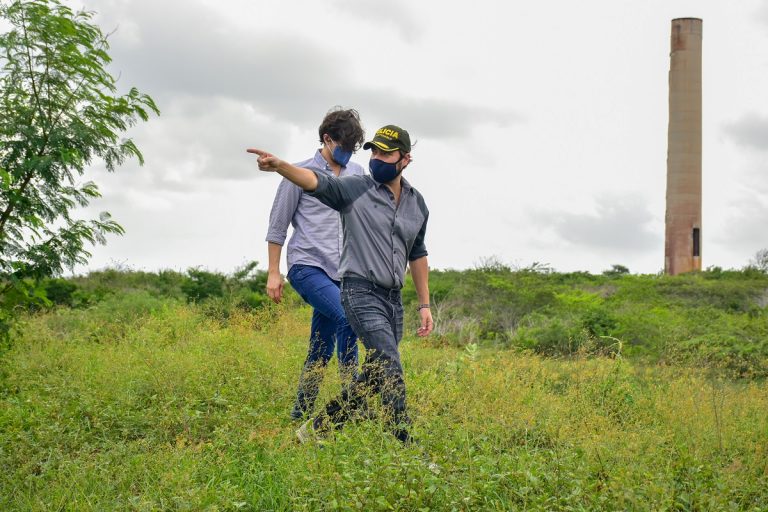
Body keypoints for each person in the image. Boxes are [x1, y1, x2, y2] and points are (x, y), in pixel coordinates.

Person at [248, 124, 433, 444]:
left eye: (385, 153)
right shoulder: (355, 187)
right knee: (391, 366)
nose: (376, 158)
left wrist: (425, 304)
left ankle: (315, 430)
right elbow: (316, 181)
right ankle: (405, 444)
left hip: (393, 299)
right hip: (359, 291)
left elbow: (417, 255)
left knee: (377, 375)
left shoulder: (417, 204)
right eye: (373, 151)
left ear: (405, 159)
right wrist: (281, 167)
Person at [264, 107, 365, 421]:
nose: (348, 154)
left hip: (344, 272)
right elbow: (277, 226)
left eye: (353, 149)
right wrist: (273, 272)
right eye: (344, 147)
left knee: (320, 348)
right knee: (349, 318)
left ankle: (300, 414)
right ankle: (353, 401)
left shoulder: (358, 175)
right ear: (327, 139)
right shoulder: (298, 173)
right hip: (307, 266)